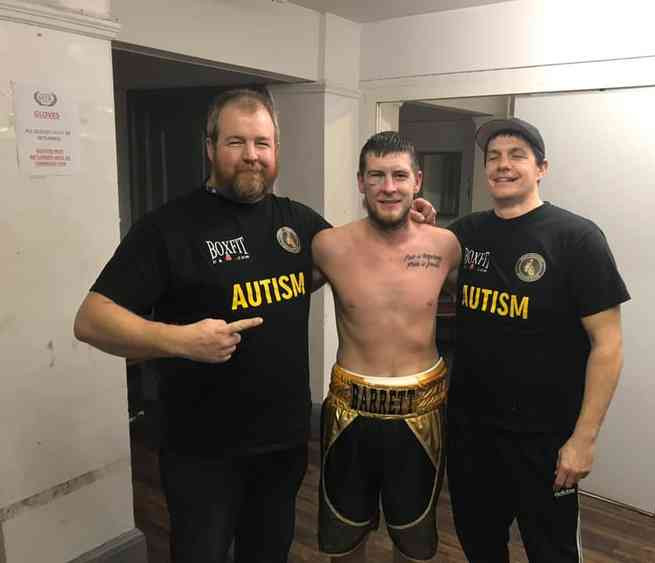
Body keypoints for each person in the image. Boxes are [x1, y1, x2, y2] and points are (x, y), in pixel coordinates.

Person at [73, 89, 436, 563]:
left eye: (262, 144)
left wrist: (406, 220)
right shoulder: (168, 227)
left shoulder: (297, 222)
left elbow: (358, 254)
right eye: (236, 143)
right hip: (202, 448)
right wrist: (179, 339)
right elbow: (91, 320)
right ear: (210, 147)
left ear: (276, 151)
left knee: (268, 552)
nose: (251, 156)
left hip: (282, 443)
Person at [446, 118, 630, 562]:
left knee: (552, 552)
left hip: (544, 441)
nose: (503, 165)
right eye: (493, 158)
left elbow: (608, 345)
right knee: (481, 546)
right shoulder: (465, 234)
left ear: (541, 167)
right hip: (472, 435)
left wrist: (583, 439)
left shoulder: (577, 237)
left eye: (517, 156)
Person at [312, 132, 461, 563]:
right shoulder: (329, 246)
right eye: (376, 175)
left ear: (418, 180)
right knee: (344, 535)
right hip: (349, 411)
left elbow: (489, 313)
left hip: (422, 411)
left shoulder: (444, 246)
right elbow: (275, 295)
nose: (388, 186)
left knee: (412, 538)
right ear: (360, 182)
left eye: (399, 175)